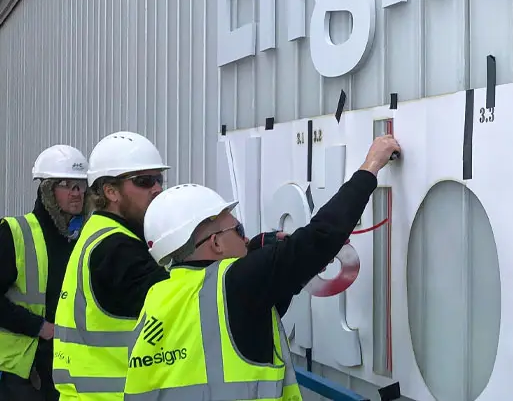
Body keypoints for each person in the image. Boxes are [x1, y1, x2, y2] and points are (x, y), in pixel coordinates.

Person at [122, 134, 402, 400]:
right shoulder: (236, 284)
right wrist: (370, 167)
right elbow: (319, 238)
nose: (245, 238)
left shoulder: (159, 295)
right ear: (216, 243)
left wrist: (264, 252)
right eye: (238, 230)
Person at [53, 131, 171, 400]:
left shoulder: (100, 232)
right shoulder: (116, 248)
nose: (157, 189)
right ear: (110, 191)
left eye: (159, 180)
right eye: (144, 181)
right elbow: (183, 309)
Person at [0, 145, 88, 400]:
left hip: (66, 367)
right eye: (66, 185)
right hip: (20, 372)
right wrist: (39, 326)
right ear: (47, 190)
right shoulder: (14, 232)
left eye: (81, 185)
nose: (76, 193)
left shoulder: (84, 237)